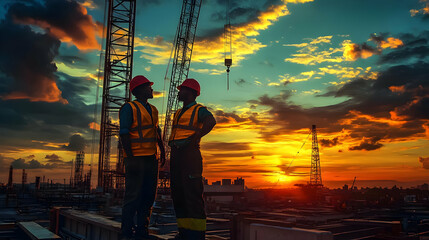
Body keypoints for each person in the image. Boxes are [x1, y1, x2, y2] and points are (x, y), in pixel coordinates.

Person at [168, 78, 216, 239]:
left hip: (190, 155)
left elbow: (211, 121)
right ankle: (184, 232)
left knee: (192, 194)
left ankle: (197, 235)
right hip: (176, 155)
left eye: (182, 90)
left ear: (191, 93)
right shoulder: (178, 113)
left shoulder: (198, 110)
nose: (179, 92)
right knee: (179, 195)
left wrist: (196, 136)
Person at [119, 75, 166, 240]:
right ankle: (126, 232)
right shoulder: (128, 108)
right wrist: (130, 158)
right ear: (139, 90)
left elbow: (156, 131)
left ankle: (142, 231)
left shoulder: (153, 110)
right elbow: (124, 133)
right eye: (148, 86)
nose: (151, 89)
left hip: (150, 159)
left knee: (148, 196)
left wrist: (162, 150)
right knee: (133, 196)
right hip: (136, 158)